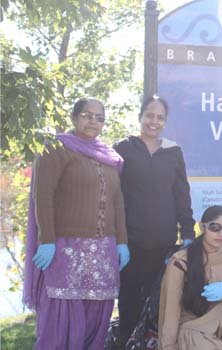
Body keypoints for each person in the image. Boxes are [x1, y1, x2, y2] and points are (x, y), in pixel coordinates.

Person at [23, 97, 130, 349]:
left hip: (104, 252)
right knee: (61, 317)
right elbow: (43, 195)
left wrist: (122, 242)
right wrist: (47, 239)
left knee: (97, 315)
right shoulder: (55, 148)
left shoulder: (109, 157)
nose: (93, 121)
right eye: (87, 115)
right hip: (65, 249)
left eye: (99, 117)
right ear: (73, 117)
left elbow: (117, 202)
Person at [114, 95, 196, 342]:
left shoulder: (173, 152)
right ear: (140, 116)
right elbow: (113, 196)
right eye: (149, 115)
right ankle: (125, 343)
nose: (154, 121)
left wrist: (189, 234)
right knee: (128, 302)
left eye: (160, 117)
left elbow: (182, 195)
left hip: (163, 241)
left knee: (159, 303)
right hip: (130, 242)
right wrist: (117, 238)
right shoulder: (122, 148)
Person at [158, 205, 222, 350]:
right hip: (194, 325)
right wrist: (169, 346)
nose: (221, 234)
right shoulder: (181, 261)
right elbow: (171, 312)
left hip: (221, 318)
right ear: (202, 227)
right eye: (215, 227)